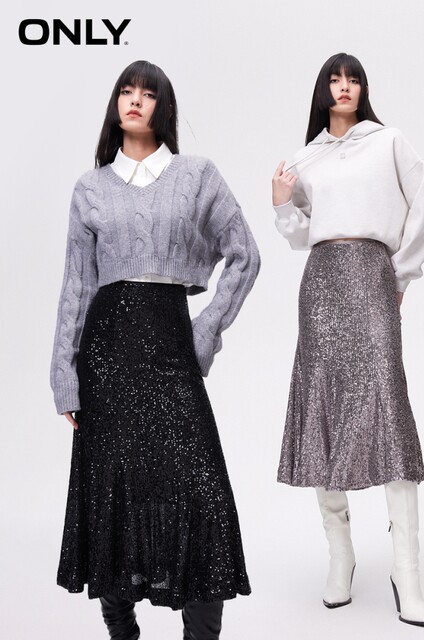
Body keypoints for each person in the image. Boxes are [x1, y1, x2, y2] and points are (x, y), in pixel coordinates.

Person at [50, 59, 260, 640]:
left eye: (147, 93)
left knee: (201, 495)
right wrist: (64, 374)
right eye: (126, 90)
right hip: (106, 354)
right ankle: (123, 634)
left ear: (163, 108)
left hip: (171, 345)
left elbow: (245, 255)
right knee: (112, 497)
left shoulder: (197, 175)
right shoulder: (90, 188)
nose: (135, 100)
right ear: (115, 104)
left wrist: (204, 332)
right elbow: (76, 287)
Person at [271, 52, 424, 628]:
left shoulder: (388, 141)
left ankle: (406, 571)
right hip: (321, 284)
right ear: (322, 90)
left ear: (363, 89)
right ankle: (340, 557)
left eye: (353, 80)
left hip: (372, 276)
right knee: (324, 409)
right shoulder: (306, 157)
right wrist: (281, 202)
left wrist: (400, 275)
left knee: (388, 409)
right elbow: (300, 235)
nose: (343, 87)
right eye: (334, 79)